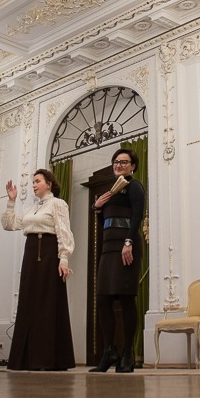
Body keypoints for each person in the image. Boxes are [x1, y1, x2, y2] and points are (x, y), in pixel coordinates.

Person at [1, 169, 76, 370]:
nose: (34, 185)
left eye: (37, 181)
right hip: (31, 254)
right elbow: (9, 225)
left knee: (47, 303)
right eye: (33, 182)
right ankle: (26, 358)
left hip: (49, 254)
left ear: (48, 184)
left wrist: (64, 258)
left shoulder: (58, 204)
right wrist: (11, 201)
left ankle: (47, 359)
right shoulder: (31, 209)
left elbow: (63, 231)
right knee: (28, 302)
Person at [89, 148, 146, 373]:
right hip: (108, 248)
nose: (118, 165)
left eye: (123, 161)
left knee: (125, 297)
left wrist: (129, 241)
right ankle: (109, 351)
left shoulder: (134, 186)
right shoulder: (111, 191)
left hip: (126, 246)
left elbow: (137, 216)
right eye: (115, 161)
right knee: (103, 299)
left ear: (133, 166)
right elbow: (106, 221)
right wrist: (97, 208)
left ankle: (127, 354)